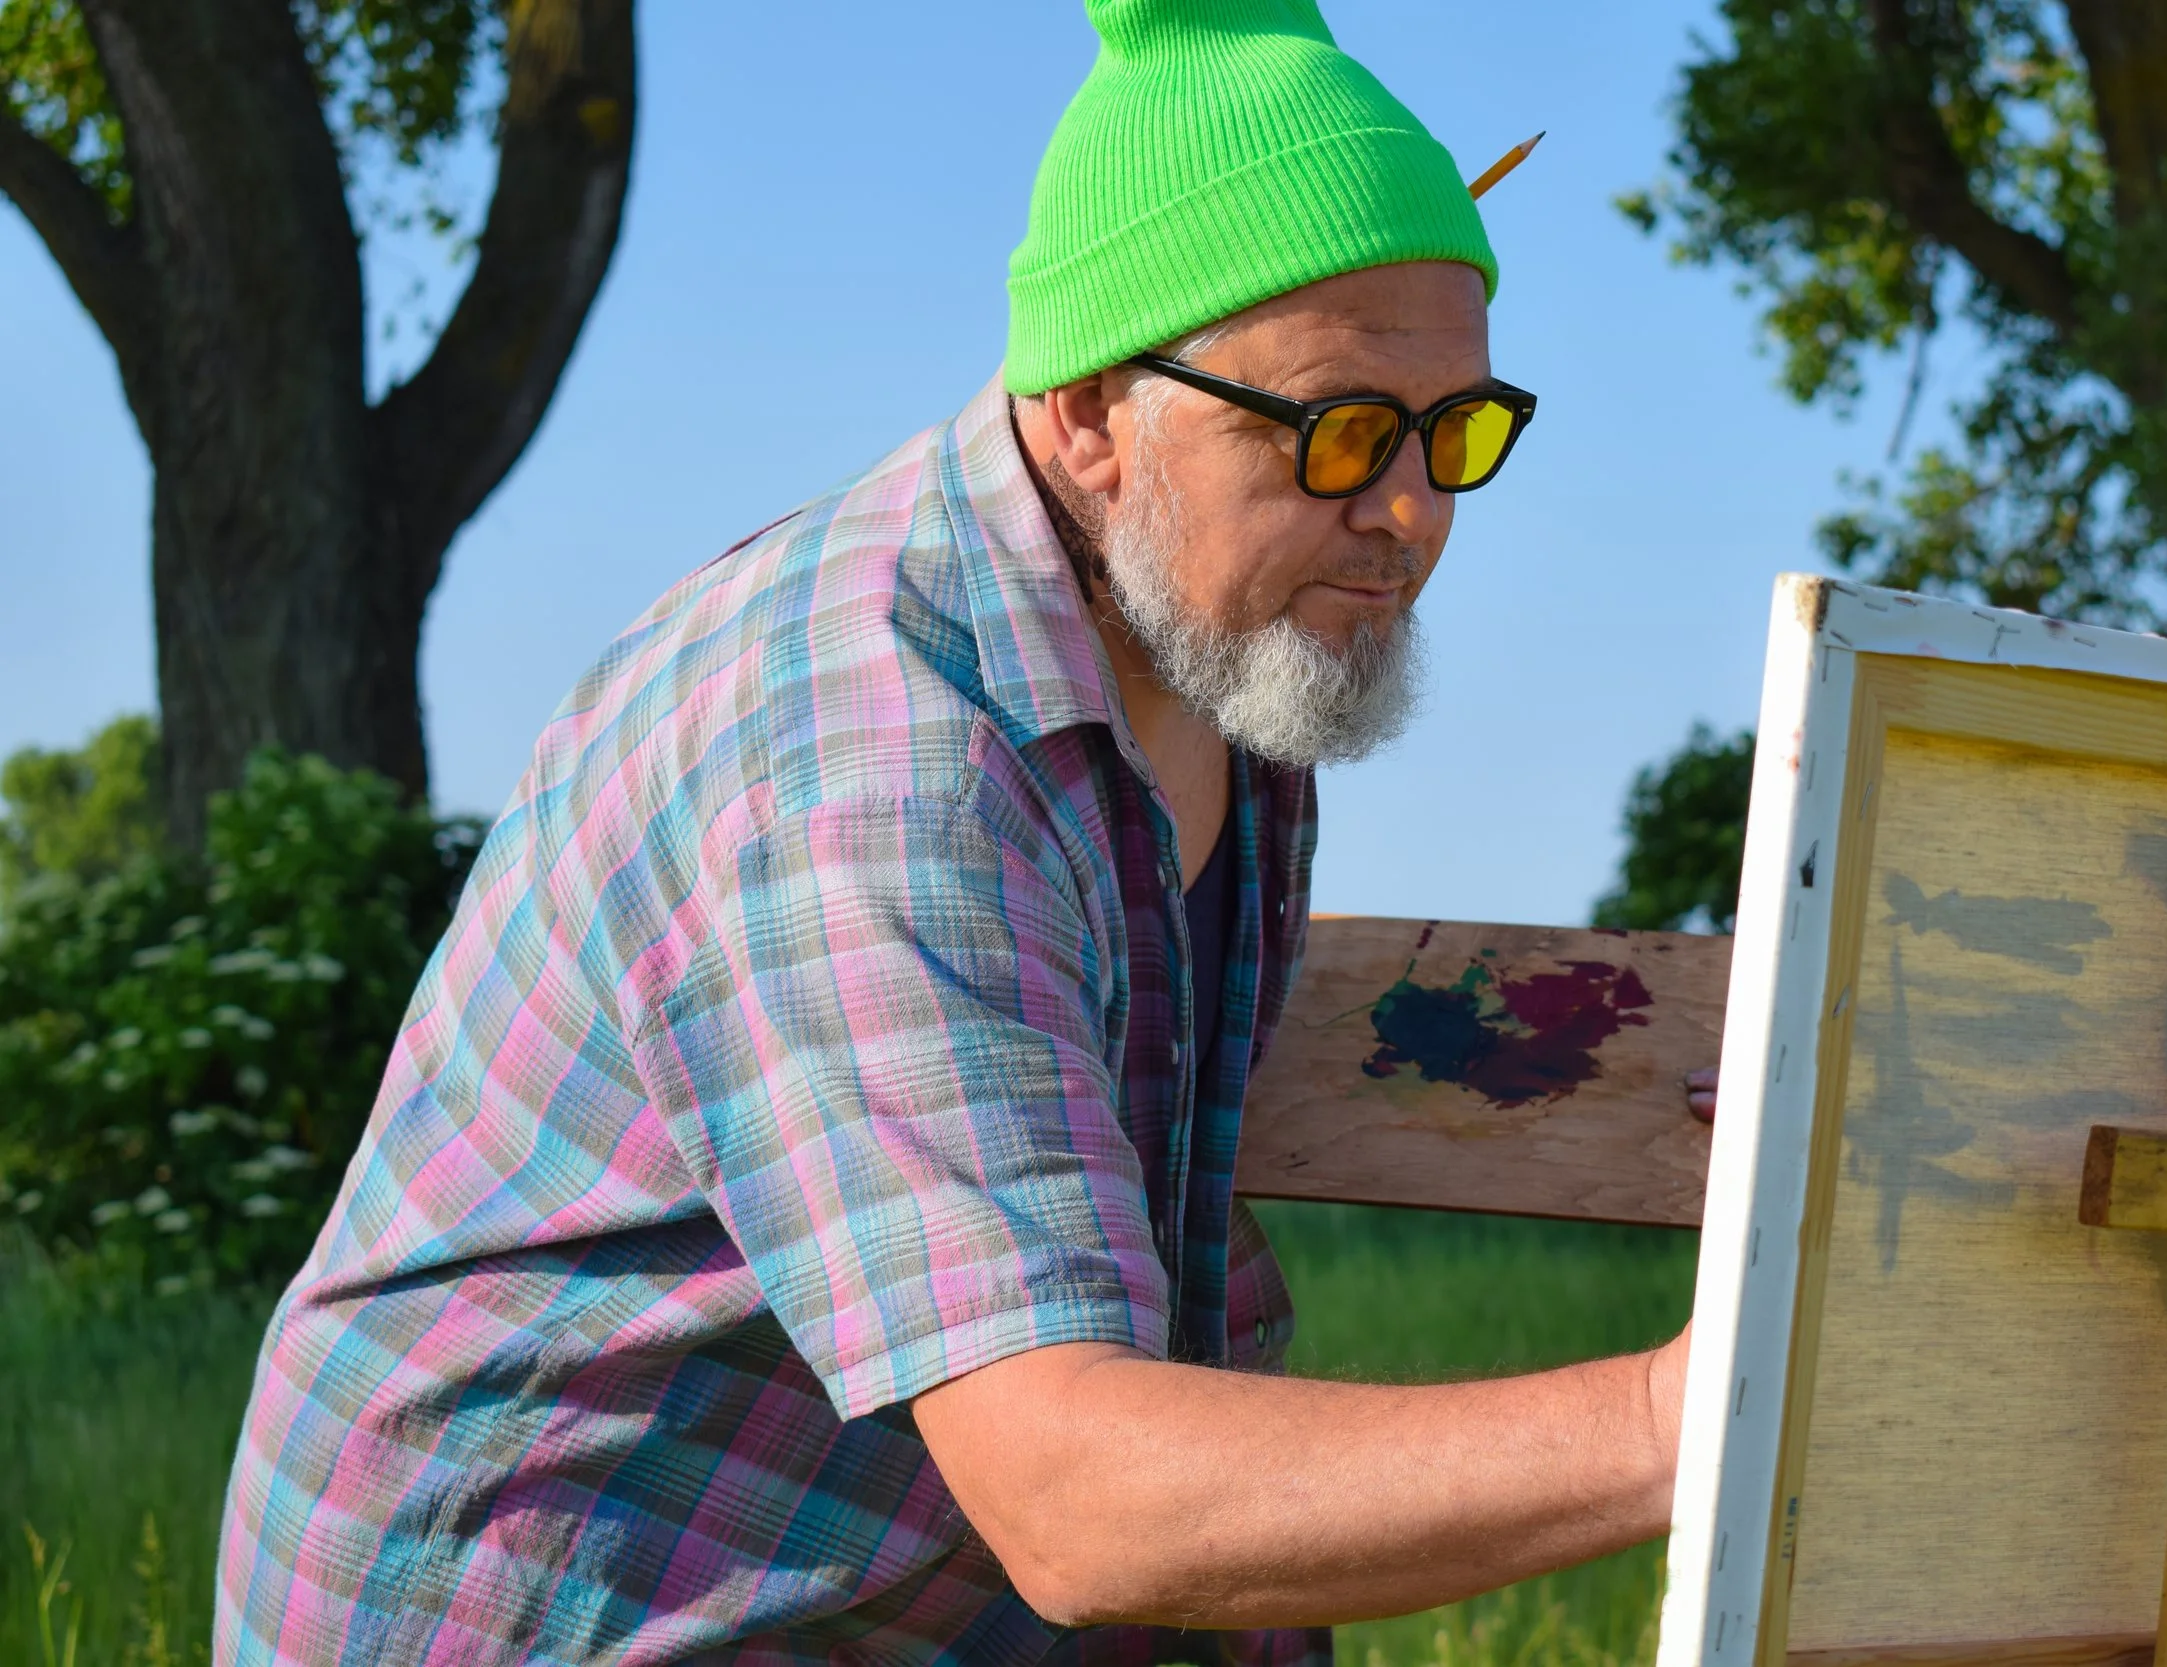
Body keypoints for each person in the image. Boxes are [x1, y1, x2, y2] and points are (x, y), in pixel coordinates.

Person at [216, 3, 1698, 1662]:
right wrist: (1689, 1412)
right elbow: (1089, 1500)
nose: (1412, 510)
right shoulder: (862, 762)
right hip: (565, 1612)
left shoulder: (1230, 652)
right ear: (1085, 418)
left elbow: (1164, 1312)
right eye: (1339, 429)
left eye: (1458, 432)